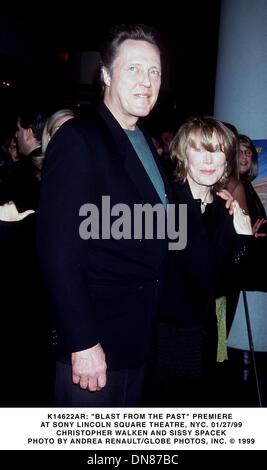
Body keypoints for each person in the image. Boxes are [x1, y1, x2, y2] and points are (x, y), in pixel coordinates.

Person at [37, 24, 174, 406]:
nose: (146, 81)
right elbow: (57, 251)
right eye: (133, 68)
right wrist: (82, 341)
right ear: (106, 75)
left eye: (154, 71)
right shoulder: (79, 139)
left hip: (137, 340)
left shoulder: (143, 139)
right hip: (95, 345)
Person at [156, 116, 253, 406]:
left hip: (202, 332)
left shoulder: (221, 209)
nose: (209, 160)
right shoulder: (165, 200)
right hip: (163, 333)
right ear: (183, 154)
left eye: (217, 150)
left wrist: (244, 238)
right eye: (199, 149)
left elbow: (227, 280)